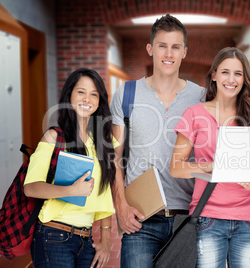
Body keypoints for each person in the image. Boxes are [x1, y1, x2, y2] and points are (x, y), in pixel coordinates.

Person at [110, 14, 204, 267]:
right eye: (162, 45)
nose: (169, 53)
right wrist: (120, 206)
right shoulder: (126, 94)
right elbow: (114, 158)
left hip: (187, 218)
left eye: (175, 47)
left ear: (184, 52)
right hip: (140, 216)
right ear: (150, 49)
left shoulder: (202, 97)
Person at [170, 47, 250, 268]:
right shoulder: (194, 114)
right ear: (214, 75)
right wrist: (213, 166)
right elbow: (176, 167)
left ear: (245, 79)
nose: (231, 79)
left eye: (238, 73)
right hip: (208, 217)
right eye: (225, 72)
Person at [24, 68, 118, 268]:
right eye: (81, 92)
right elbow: (31, 187)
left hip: (85, 239)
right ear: (69, 95)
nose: (87, 99)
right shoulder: (54, 137)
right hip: (53, 236)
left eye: (94, 94)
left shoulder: (102, 141)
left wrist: (107, 239)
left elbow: (105, 193)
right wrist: (70, 191)